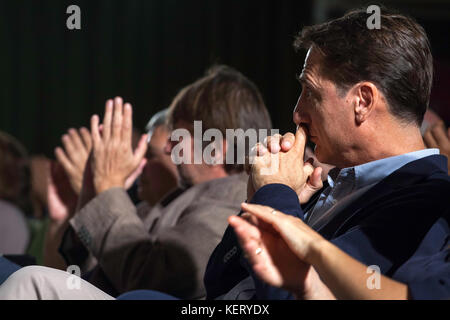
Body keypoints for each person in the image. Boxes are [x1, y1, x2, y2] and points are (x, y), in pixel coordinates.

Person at [203, 8, 450, 300]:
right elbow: (218, 282)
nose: (297, 113)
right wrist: (260, 196)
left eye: (311, 92)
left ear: (363, 101)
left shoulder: (427, 203)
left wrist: (275, 194)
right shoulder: (328, 180)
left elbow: (290, 291)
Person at [54, 65, 272, 299]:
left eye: (178, 137)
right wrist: (92, 189)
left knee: (28, 279)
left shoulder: (232, 201)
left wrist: (109, 188)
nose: (169, 148)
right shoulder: (175, 199)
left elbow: (155, 281)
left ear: (217, 149)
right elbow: (100, 269)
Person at [229, 203, 450, 300]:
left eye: (314, 102)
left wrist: (314, 246)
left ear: (362, 104)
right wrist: (310, 288)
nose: (297, 116)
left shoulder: (424, 195)